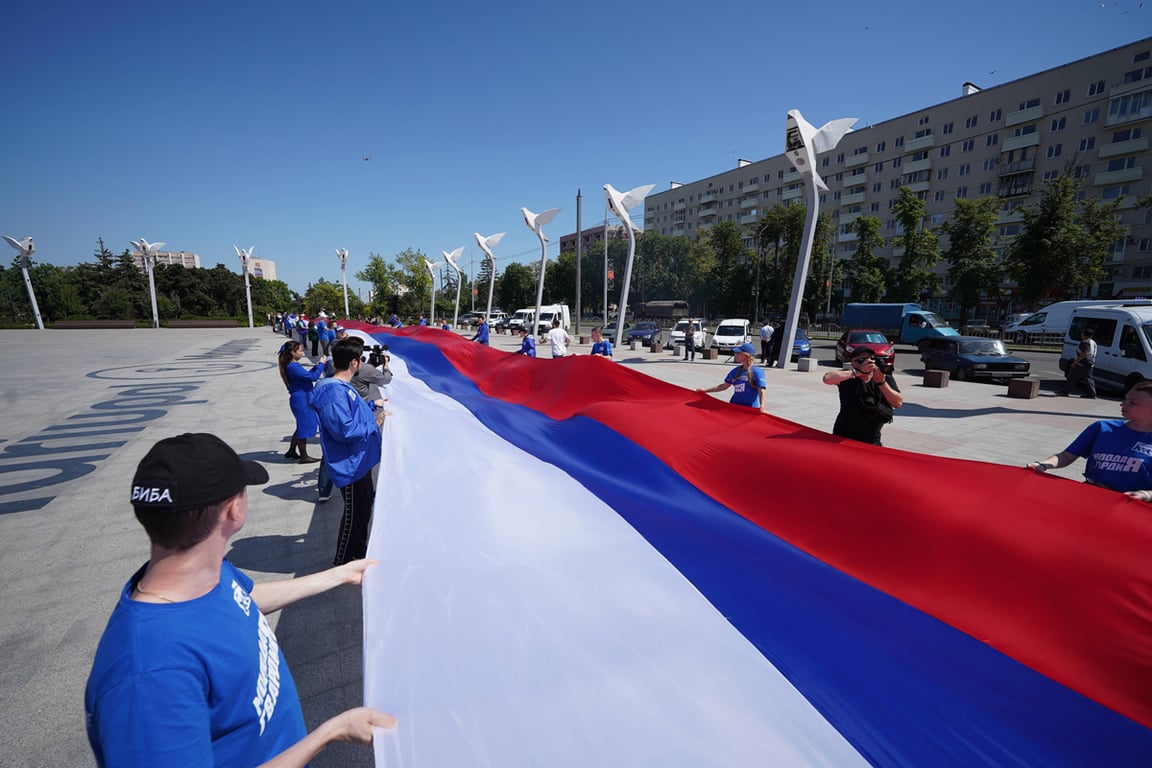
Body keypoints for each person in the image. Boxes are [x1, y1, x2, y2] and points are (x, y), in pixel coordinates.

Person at [84, 432, 396, 767]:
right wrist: (329, 732)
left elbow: (244, 599)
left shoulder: (200, 573)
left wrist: (338, 575)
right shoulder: (149, 675)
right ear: (234, 509)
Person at [309, 338, 388, 565]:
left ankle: (359, 551)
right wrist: (375, 423)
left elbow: (353, 411)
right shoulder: (333, 392)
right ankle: (343, 560)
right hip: (350, 465)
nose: (363, 362)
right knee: (354, 513)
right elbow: (344, 430)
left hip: (360, 461)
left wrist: (374, 405)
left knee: (364, 507)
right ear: (354, 363)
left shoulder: (343, 388)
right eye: (361, 359)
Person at [1027, 380, 1152, 499]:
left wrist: (1146, 495)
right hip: (1091, 497)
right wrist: (1042, 465)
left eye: (1133, 403)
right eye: (1125, 399)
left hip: (1133, 508)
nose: (1123, 404)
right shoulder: (1102, 428)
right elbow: (1066, 456)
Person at [822, 346, 904, 445]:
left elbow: (898, 403)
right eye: (861, 360)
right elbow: (827, 378)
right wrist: (859, 372)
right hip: (843, 435)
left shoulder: (883, 377)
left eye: (871, 358)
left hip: (871, 438)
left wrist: (881, 382)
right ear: (853, 363)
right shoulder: (848, 376)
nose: (868, 361)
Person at [277, 340, 326, 463]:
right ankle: (303, 456)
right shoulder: (293, 366)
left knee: (301, 425)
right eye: (300, 350)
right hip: (301, 399)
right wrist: (321, 365)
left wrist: (316, 366)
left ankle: (292, 450)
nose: (302, 352)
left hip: (302, 397)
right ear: (293, 353)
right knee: (304, 427)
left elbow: (306, 375)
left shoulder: (292, 365)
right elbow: (313, 377)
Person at [696, 342, 767, 414]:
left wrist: (762, 406)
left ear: (746, 355)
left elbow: (761, 391)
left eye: (738, 353)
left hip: (750, 410)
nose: (736, 355)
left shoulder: (757, 371)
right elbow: (723, 386)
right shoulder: (735, 371)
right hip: (734, 407)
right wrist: (705, 391)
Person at [1061, 328, 1098, 398]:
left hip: (1081, 363)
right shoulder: (1093, 342)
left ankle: (1065, 392)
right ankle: (1092, 394)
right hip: (1090, 363)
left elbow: (1084, 353)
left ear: (1084, 335)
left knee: (1071, 376)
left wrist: (1075, 362)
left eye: (1082, 334)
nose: (1081, 335)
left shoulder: (1084, 343)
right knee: (1088, 378)